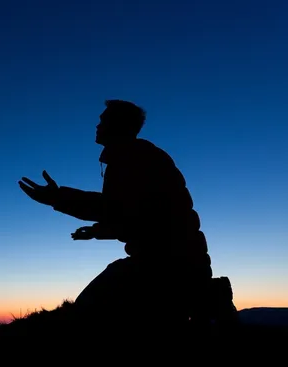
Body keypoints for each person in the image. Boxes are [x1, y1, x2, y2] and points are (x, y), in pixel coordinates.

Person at [18, 100, 213, 325]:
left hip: (170, 267)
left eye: (103, 121)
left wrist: (57, 198)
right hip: (169, 262)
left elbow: (118, 210)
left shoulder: (136, 158)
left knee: (89, 309)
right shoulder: (131, 157)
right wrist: (96, 230)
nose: (97, 125)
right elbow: (133, 215)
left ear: (119, 125)